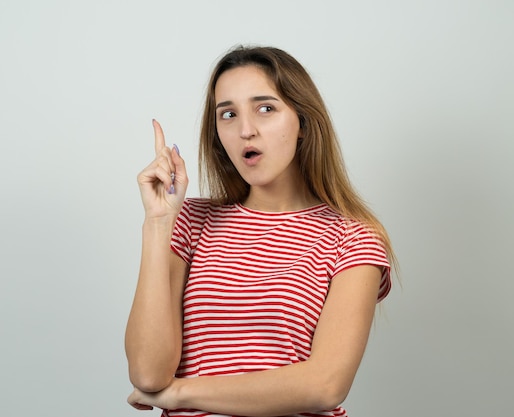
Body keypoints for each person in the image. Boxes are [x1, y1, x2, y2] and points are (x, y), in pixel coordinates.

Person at [125, 45, 396, 417]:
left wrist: (179, 394)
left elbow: (324, 385)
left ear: (302, 121)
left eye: (265, 108)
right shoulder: (190, 221)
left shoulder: (353, 238)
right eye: (228, 114)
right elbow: (147, 373)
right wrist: (157, 224)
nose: (246, 130)